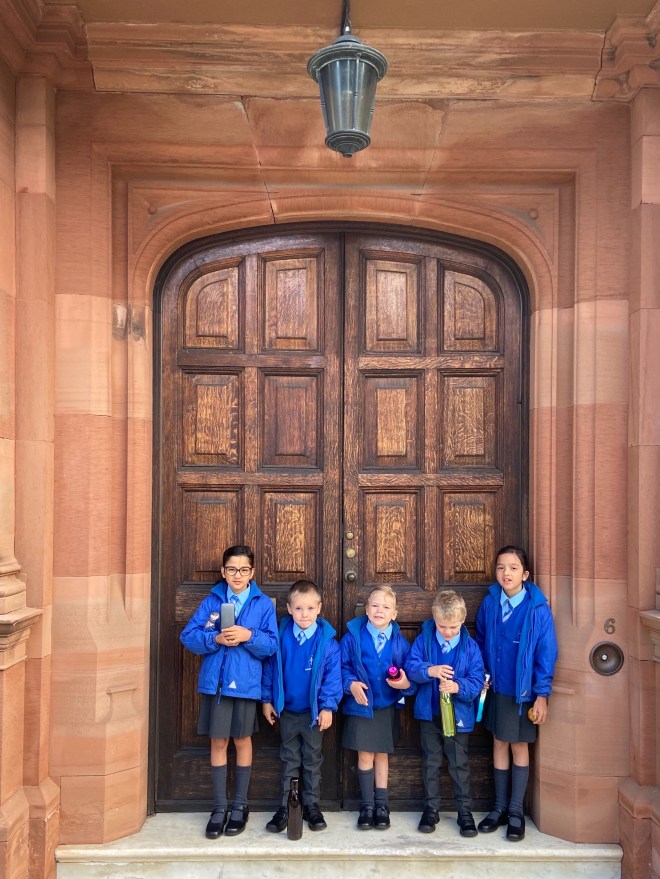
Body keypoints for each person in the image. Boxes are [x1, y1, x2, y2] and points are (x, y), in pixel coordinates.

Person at [179, 544, 278, 839]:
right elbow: (188, 636)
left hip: (245, 686)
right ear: (223, 572)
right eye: (232, 569)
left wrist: (249, 636)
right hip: (217, 685)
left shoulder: (262, 604)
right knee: (219, 741)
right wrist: (215, 639)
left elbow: (271, 645)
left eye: (244, 570)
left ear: (252, 572)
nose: (238, 575)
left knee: (243, 740)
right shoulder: (213, 600)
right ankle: (219, 806)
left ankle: (240, 805)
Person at [475, 545, 558, 842]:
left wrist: (541, 694)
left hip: (522, 692)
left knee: (519, 746)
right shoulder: (490, 603)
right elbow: (480, 640)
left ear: (525, 574)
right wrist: (481, 675)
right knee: (499, 742)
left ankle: (515, 811)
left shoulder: (537, 609)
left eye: (512, 568)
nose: (505, 573)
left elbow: (546, 653)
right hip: (496, 688)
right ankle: (498, 808)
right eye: (500, 567)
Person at [262, 579, 342, 833]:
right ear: (289, 609)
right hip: (287, 711)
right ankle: (286, 807)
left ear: (319, 608)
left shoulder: (327, 642)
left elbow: (333, 678)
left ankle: (311, 805)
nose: (304, 614)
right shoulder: (280, 638)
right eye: (298, 608)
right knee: (289, 759)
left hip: (313, 715)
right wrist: (267, 700)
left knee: (312, 759)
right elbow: (270, 670)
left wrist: (327, 707)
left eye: (309, 608)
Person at [404, 589, 485, 837]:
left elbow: (477, 679)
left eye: (453, 627)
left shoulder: (470, 647)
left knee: (459, 764)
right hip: (430, 714)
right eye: (442, 626)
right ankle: (431, 809)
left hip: (458, 717)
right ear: (434, 618)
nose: (447, 632)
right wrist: (430, 671)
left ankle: (464, 812)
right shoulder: (424, 640)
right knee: (431, 762)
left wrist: (458, 687)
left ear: (463, 620)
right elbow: (411, 666)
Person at [340, 585, 416, 830]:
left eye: (385, 607)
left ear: (394, 613)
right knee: (364, 755)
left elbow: (410, 672)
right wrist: (350, 684)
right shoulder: (353, 637)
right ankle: (367, 806)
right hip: (362, 705)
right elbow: (341, 667)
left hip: (385, 705)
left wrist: (405, 684)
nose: (379, 610)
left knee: (381, 754)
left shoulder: (399, 643)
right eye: (374, 605)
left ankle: (382, 805)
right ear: (366, 609)